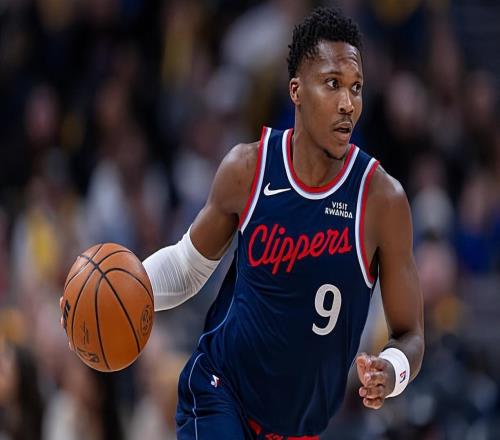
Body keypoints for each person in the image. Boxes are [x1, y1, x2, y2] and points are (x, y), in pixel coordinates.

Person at [61, 6, 424, 439]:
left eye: (356, 87)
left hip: (299, 428)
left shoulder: (382, 200)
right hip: (221, 392)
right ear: (296, 90)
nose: (348, 103)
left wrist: (392, 371)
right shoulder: (248, 169)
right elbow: (187, 267)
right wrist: (115, 292)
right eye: (332, 84)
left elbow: (410, 335)